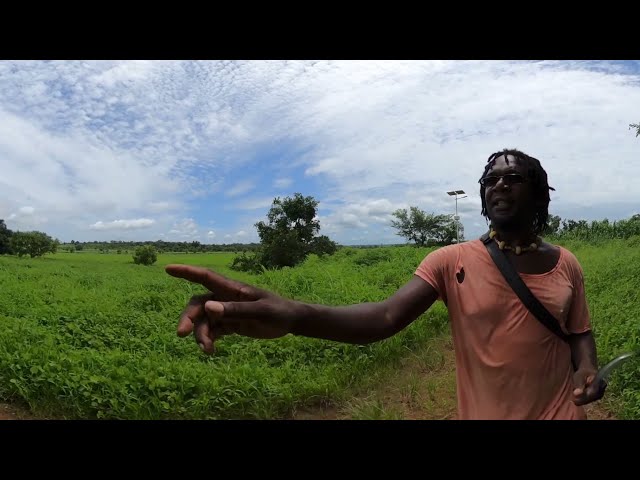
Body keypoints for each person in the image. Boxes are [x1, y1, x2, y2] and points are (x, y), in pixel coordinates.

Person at [165, 148, 606, 420]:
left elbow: (579, 331)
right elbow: (385, 317)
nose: (499, 185)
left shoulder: (566, 263)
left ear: (540, 193)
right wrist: (295, 314)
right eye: (491, 179)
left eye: (514, 177)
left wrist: (587, 367)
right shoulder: (449, 260)